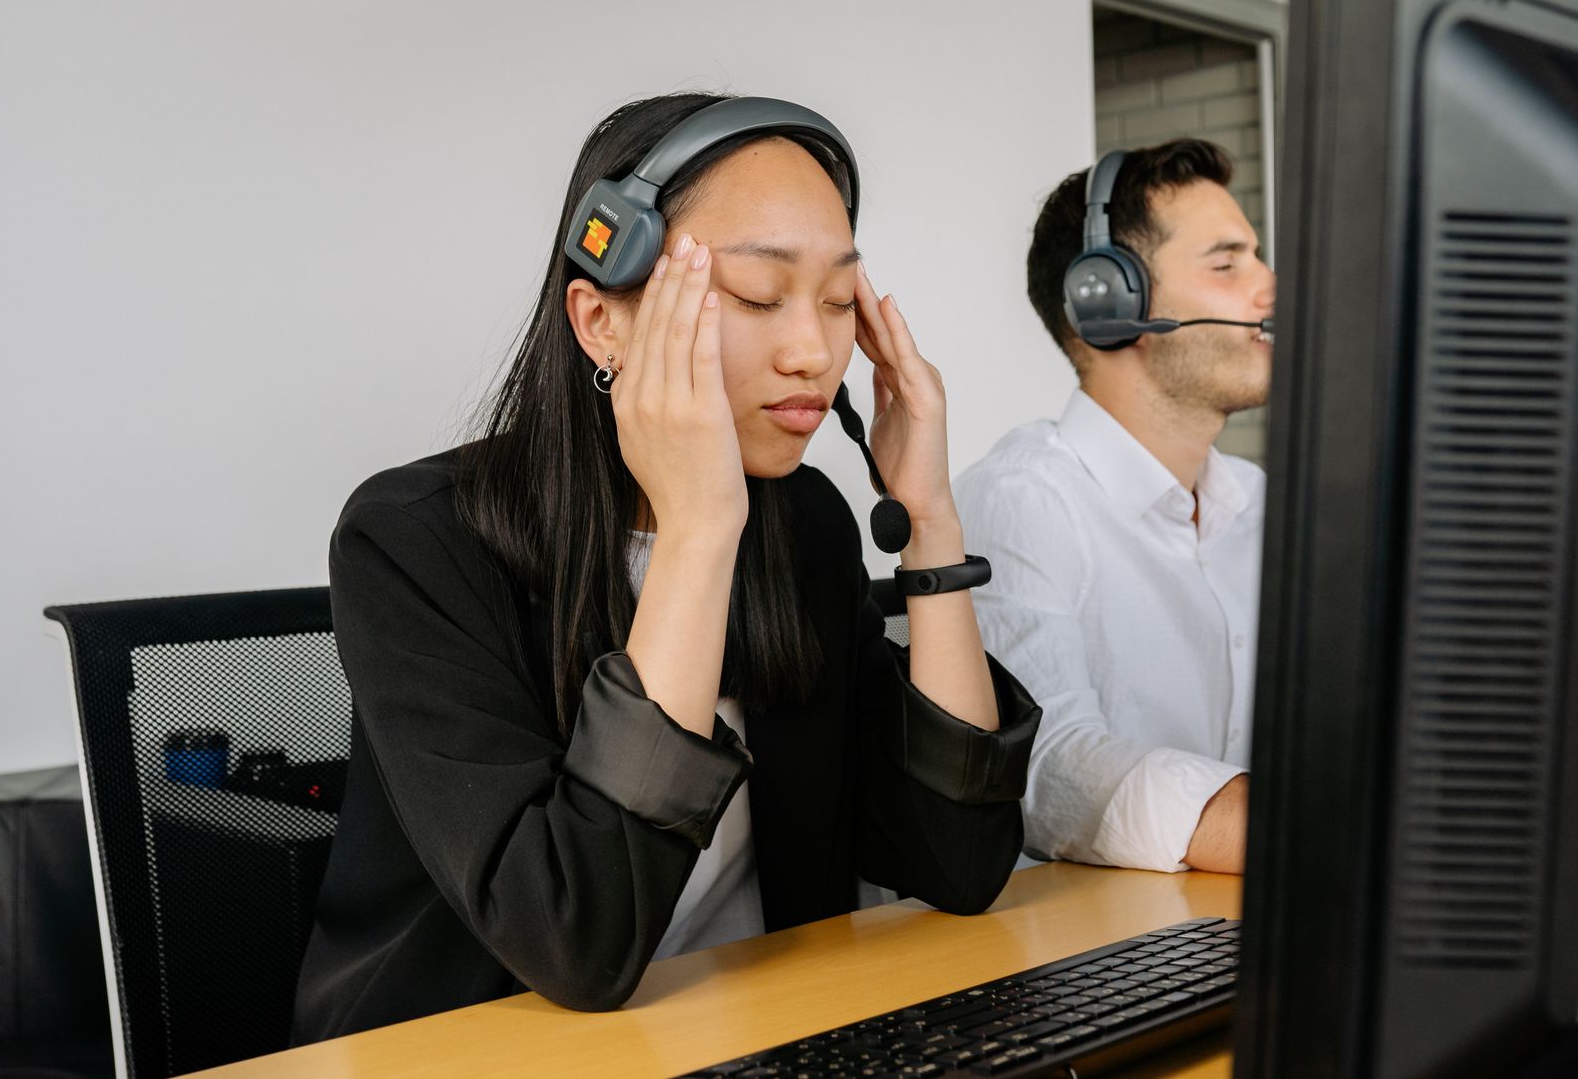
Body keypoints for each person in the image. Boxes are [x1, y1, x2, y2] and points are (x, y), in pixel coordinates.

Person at [292, 93, 1039, 1041]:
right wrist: (695, 529)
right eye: (760, 297)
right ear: (602, 320)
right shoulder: (415, 542)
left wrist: (929, 523)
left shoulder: (804, 525)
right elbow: (580, 943)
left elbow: (962, 859)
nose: (813, 349)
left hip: (758, 1030)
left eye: (840, 300)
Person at [952, 138, 1274, 875]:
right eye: (1227, 265)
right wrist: (1297, 828)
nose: (1269, 286)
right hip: (1084, 958)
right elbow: (1050, 767)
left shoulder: (1263, 505)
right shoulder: (1022, 500)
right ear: (1108, 301)